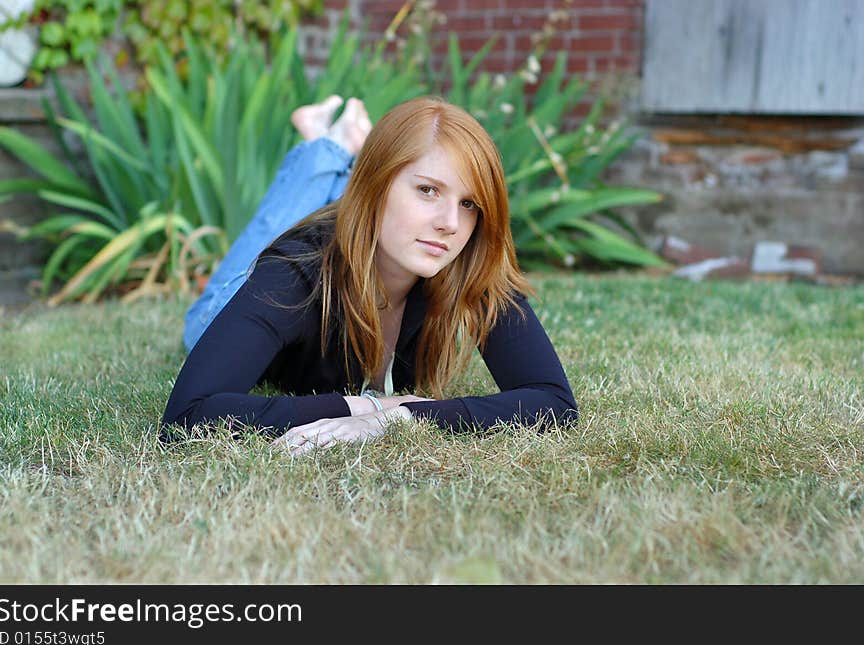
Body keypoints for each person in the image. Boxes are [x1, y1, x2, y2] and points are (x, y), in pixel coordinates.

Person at [161, 95, 578, 456]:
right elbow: (189, 414)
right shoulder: (292, 274)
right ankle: (325, 147)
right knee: (268, 241)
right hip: (251, 291)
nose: (451, 223)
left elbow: (554, 402)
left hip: (361, 232)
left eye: (469, 203)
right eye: (428, 190)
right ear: (376, 185)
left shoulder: (468, 260)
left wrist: (400, 418)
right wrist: (359, 407)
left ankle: (331, 146)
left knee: (349, 223)